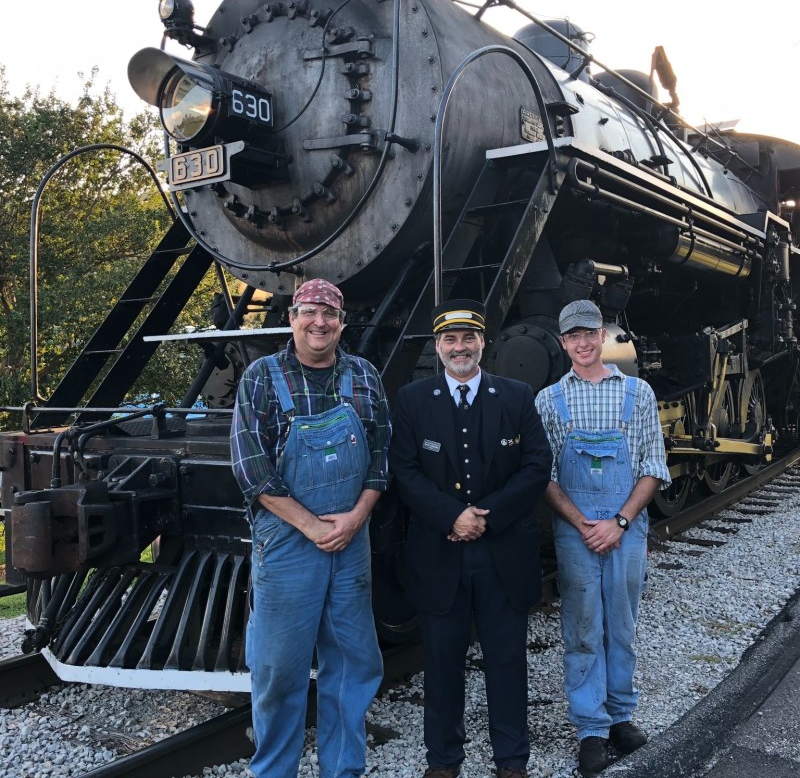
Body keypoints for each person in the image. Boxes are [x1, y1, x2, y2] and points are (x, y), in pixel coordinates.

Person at [230, 278, 391, 778]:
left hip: (351, 537)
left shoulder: (364, 375)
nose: (319, 322)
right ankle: (274, 772)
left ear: (342, 323)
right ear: (293, 318)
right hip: (286, 542)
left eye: (329, 313)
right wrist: (310, 525)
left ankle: (343, 770)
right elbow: (250, 467)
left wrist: (357, 516)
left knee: (353, 663)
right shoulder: (260, 377)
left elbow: (382, 459)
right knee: (279, 670)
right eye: (309, 312)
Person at [389, 299, 553, 778]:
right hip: (440, 551)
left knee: (507, 660)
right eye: (449, 340)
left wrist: (486, 516)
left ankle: (511, 760)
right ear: (437, 346)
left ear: (484, 342)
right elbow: (404, 468)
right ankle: (443, 760)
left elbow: (536, 466)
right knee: (441, 664)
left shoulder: (518, 395)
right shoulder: (413, 400)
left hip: (504, 551)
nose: (459, 348)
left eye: (468, 339)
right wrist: (452, 516)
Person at [534, 299, 671, 777]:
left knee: (623, 624)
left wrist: (621, 521)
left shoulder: (639, 393)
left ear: (603, 334)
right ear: (563, 342)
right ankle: (590, 727)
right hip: (576, 531)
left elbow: (653, 468)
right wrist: (582, 523)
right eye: (573, 336)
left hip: (625, 527)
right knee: (583, 628)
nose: (583, 343)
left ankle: (620, 716)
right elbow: (546, 476)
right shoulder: (548, 401)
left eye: (590, 333)